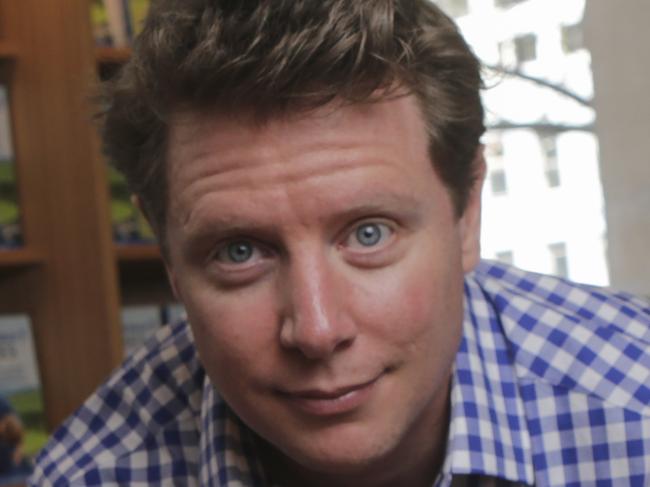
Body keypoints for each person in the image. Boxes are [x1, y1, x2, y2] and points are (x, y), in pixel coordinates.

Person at [30, 1, 650, 486]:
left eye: (368, 234)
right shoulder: (95, 474)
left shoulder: (635, 411)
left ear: (466, 215)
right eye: (240, 251)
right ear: (168, 257)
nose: (317, 329)